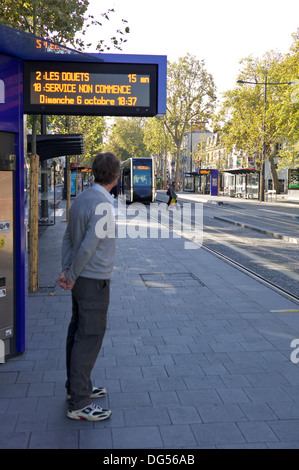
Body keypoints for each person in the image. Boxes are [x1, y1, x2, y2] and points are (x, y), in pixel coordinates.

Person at [56, 152, 120, 421]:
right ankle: (79, 403)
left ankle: (77, 387)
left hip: (82, 278)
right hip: (93, 280)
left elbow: (68, 238)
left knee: (77, 331)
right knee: (89, 336)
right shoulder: (103, 205)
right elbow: (88, 247)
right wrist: (71, 273)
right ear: (116, 177)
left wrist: (67, 271)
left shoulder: (81, 198)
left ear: (94, 172)